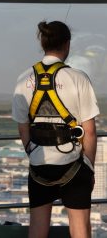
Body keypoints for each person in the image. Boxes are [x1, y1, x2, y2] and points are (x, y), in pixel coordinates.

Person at [12, 21, 98, 238]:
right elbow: (89, 131)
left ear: (43, 43)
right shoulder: (78, 78)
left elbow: (23, 129)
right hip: (74, 164)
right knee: (80, 229)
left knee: (38, 228)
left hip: (39, 163)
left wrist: (33, 152)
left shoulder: (23, 80)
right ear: (67, 44)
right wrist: (88, 166)